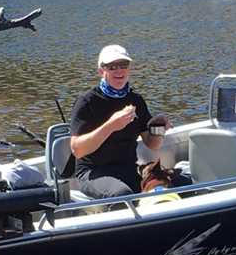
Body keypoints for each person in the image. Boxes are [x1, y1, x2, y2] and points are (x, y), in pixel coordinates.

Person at [69, 44, 170, 198]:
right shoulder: (87, 101)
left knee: (175, 182)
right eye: (112, 66)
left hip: (128, 168)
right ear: (101, 71)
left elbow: (153, 144)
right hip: (93, 172)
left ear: (129, 69)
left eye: (123, 65)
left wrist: (159, 128)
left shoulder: (136, 100)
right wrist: (111, 126)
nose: (119, 70)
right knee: (121, 194)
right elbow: (77, 150)